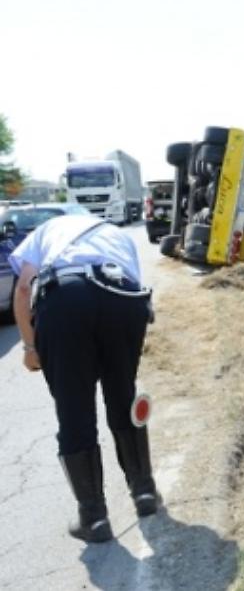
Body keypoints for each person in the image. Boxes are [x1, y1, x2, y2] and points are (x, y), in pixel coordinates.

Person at [9, 213, 159, 543]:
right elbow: (135, 285)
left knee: (74, 410)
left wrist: (30, 347)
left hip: (66, 301)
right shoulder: (115, 234)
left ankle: (94, 518)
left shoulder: (44, 233)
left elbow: (23, 288)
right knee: (123, 397)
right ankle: (145, 493)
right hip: (123, 298)